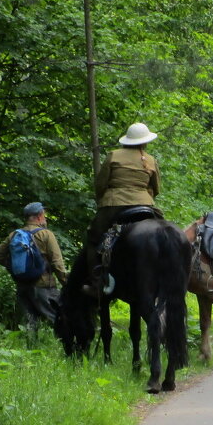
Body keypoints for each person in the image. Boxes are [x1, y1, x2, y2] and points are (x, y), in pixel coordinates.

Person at [84, 122, 162, 295]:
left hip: (114, 204)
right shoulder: (150, 160)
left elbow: (101, 183)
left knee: (93, 237)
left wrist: (102, 199)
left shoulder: (113, 155)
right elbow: (155, 188)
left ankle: (96, 282)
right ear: (145, 142)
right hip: (144, 204)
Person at [0, 201, 68, 340]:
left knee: (29, 321)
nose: (45, 218)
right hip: (43, 286)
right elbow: (57, 263)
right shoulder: (46, 234)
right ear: (39, 216)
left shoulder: (14, 234)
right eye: (44, 215)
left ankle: (30, 349)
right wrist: (66, 283)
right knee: (57, 317)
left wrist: (14, 269)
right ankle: (66, 346)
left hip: (22, 285)